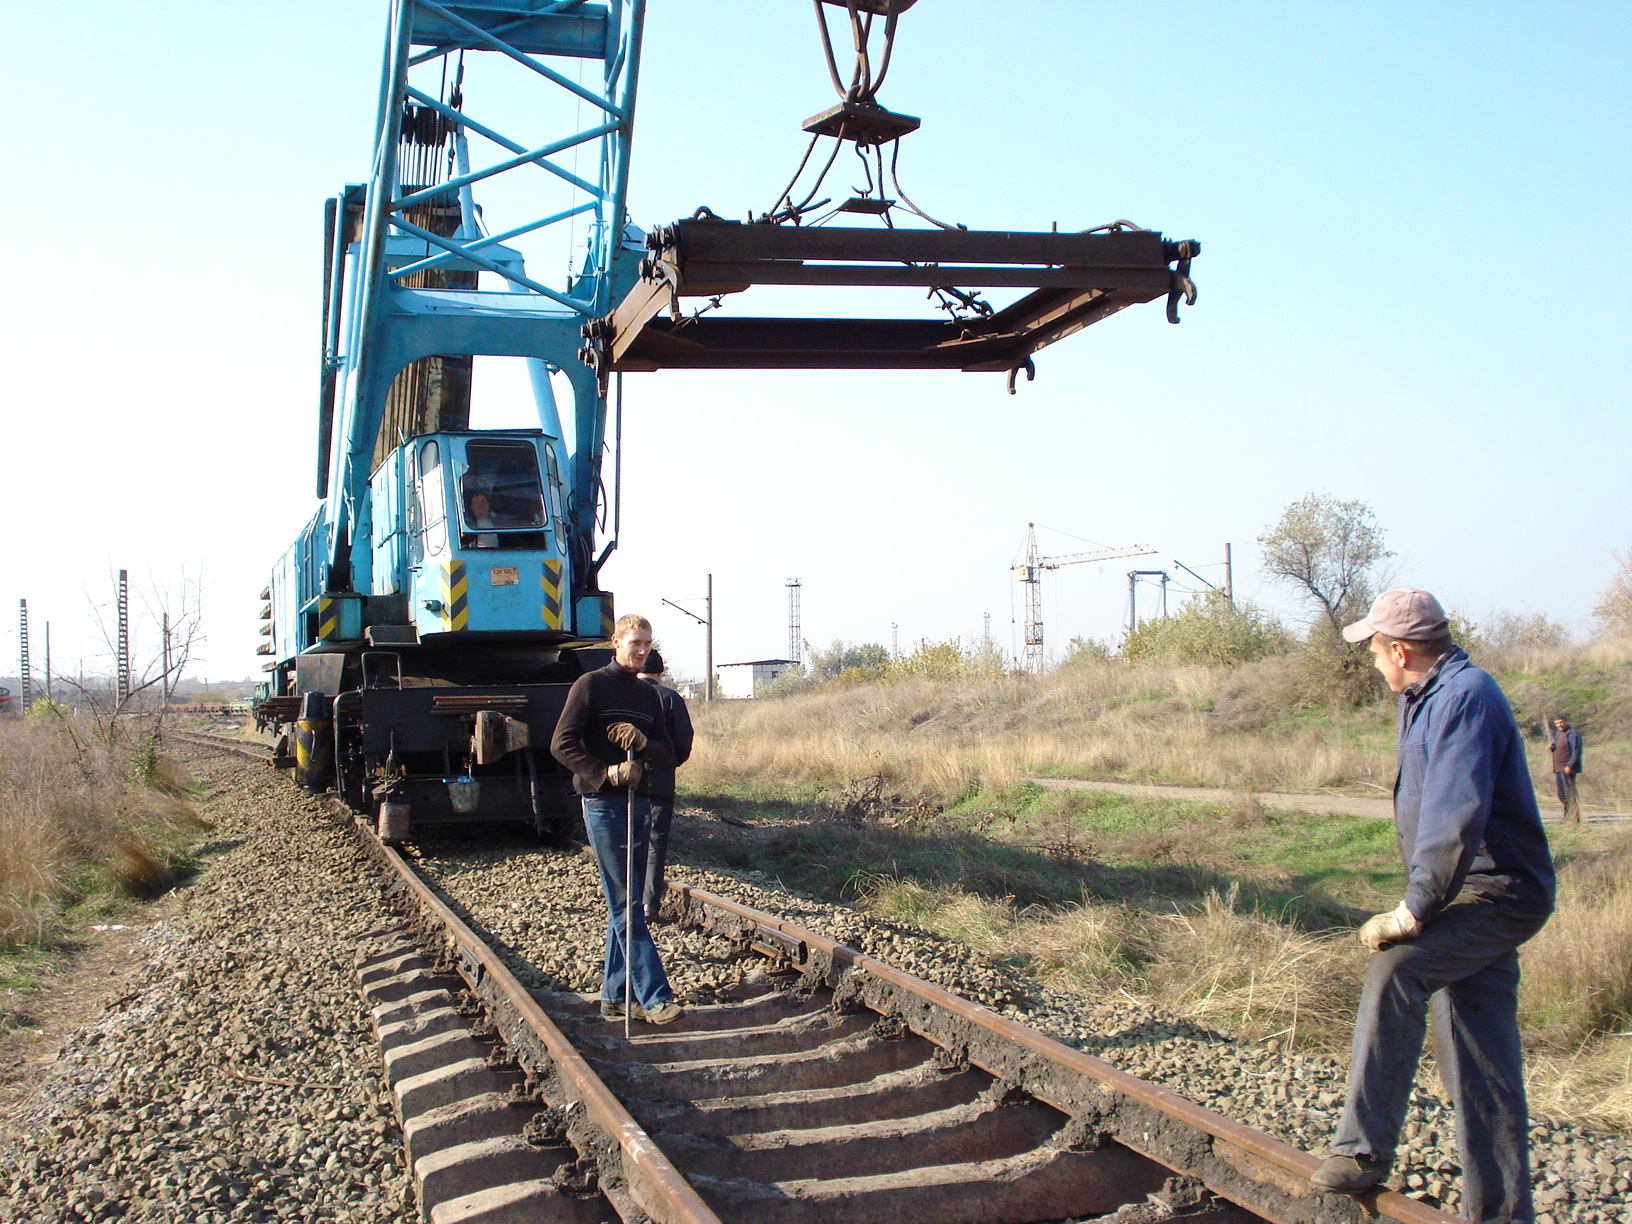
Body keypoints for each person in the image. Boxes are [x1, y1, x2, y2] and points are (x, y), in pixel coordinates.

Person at [1309, 588, 1555, 1222]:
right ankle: (1501, 1213)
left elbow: (1453, 816)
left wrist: (1413, 910)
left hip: (1495, 893)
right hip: (1465, 893)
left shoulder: (1465, 699)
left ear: (1399, 649)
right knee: (1480, 1061)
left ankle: (1362, 1149)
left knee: (1397, 969)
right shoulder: (1426, 697)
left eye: (1372, 649)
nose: (1370, 661)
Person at [550, 614, 684, 1025]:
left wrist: (645, 743)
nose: (641, 650)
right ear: (615, 641)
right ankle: (655, 996)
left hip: (638, 802)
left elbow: (671, 751)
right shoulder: (590, 685)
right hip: (604, 803)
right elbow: (561, 744)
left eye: (646, 643)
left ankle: (614, 994)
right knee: (626, 900)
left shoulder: (648, 696)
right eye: (634, 643)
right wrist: (603, 773)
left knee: (625, 901)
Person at [635, 649, 694, 924]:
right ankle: (649, 904)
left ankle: (628, 902)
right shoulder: (671, 698)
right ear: (660, 673)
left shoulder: (625, 695)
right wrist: (669, 763)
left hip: (625, 783)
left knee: (627, 841)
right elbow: (684, 741)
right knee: (655, 842)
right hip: (659, 781)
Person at [1549, 714, 1584, 823]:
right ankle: (1568, 815)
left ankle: (1574, 817)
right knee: (1562, 794)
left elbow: (1577, 752)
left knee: (1569, 793)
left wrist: (1570, 766)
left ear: (1566, 721)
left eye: (1561, 722)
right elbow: (1558, 746)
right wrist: (1552, 747)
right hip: (1558, 768)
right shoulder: (1559, 733)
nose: (1560, 725)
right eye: (1557, 723)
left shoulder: (1572, 734)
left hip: (1567, 768)